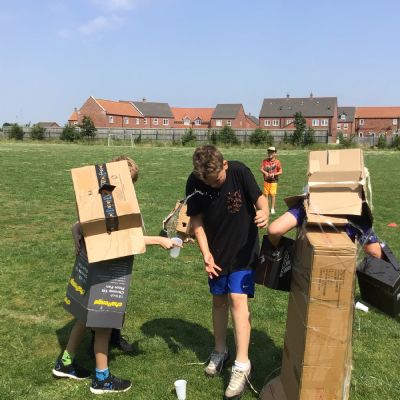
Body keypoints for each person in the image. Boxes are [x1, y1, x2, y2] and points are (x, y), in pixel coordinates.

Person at [53, 156, 177, 394]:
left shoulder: (101, 197)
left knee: (84, 317)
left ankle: (65, 363)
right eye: (128, 182)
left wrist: (75, 228)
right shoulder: (112, 203)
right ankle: (102, 379)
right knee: (103, 323)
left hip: (94, 266)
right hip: (106, 271)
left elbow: (85, 221)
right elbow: (127, 239)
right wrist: (160, 240)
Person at [185, 145, 269, 399]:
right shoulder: (195, 181)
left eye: (216, 180)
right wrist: (206, 254)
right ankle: (221, 351)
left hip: (243, 250)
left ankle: (242, 364)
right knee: (219, 301)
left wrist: (264, 211)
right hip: (217, 253)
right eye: (207, 183)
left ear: (224, 165)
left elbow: (260, 198)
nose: (212, 186)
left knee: (237, 299)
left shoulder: (239, 171)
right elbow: (196, 220)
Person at [268, 196, 382, 259]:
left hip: (304, 276)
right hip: (341, 278)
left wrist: (288, 257)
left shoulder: (306, 205)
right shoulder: (357, 213)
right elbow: (374, 252)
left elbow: (274, 230)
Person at [260, 146, 282, 215]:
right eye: (269, 152)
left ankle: (272, 208)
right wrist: (265, 173)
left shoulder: (277, 162)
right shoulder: (265, 161)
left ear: (275, 153)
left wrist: (274, 174)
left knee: (273, 195)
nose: (270, 154)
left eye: (272, 152)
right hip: (266, 181)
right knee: (266, 195)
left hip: (274, 181)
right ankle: (266, 208)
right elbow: (261, 169)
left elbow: (281, 171)